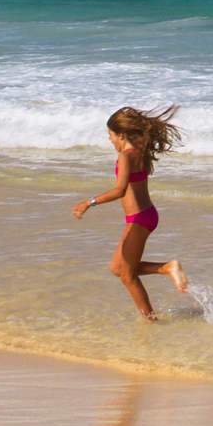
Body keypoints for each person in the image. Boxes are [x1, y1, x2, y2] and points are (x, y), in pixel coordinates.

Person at [72, 105, 190, 320]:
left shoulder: (126, 156)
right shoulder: (140, 152)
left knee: (127, 276)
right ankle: (165, 269)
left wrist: (89, 202)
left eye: (110, 135)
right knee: (118, 268)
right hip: (146, 215)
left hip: (138, 219)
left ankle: (150, 320)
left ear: (121, 135)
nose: (109, 140)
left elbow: (120, 190)